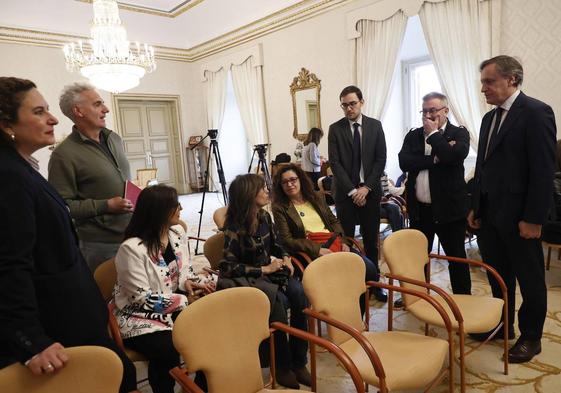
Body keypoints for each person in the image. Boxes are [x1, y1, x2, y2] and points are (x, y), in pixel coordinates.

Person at [0, 77, 136, 392]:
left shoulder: (20, 168)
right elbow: (9, 264)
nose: (52, 119)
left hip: (74, 309)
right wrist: (31, 340)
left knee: (120, 374)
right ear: (7, 123)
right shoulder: (8, 176)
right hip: (57, 318)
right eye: (38, 112)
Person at [468, 55, 556, 363]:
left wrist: (533, 219)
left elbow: (543, 172)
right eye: (482, 82)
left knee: (530, 280)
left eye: (489, 82)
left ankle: (531, 337)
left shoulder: (536, 113)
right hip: (490, 216)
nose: (483, 89)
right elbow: (482, 167)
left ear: (512, 80)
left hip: (520, 219)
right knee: (497, 276)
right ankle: (502, 325)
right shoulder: (488, 118)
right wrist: (475, 206)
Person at [114, 185, 213, 393]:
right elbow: (142, 299)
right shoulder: (131, 248)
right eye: (175, 205)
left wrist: (192, 283)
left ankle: (197, 388)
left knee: (207, 335)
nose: (181, 209)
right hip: (138, 315)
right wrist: (186, 300)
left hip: (173, 305)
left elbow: (183, 271)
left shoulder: (176, 233)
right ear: (158, 210)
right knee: (166, 349)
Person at [217, 174, 310, 389]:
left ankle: (299, 361)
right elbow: (227, 267)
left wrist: (285, 257)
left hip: (272, 273)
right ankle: (282, 367)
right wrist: (264, 269)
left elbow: (277, 245)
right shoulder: (233, 226)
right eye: (262, 188)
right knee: (276, 307)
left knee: (299, 295)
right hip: (252, 280)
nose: (267, 191)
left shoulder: (264, 217)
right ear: (249, 194)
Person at [271, 163, 380, 313]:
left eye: (293, 179)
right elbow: (287, 240)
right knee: (345, 277)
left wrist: (343, 241)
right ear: (280, 186)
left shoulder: (316, 197)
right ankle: (340, 316)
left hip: (334, 243)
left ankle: (356, 317)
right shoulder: (280, 207)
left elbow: (333, 220)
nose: (290, 184)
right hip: (310, 251)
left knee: (370, 271)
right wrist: (317, 250)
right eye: (285, 182)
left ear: (300, 179)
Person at [48, 82, 133, 272]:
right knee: (106, 297)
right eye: (97, 104)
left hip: (133, 233)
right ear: (78, 111)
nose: (106, 109)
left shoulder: (114, 138)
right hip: (101, 245)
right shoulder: (63, 155)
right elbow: (61, 206)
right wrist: (106, 205)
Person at [398, 92, 472, 295]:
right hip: (420, 211)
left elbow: (452, 157)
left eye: (433, 111)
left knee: (456, 258)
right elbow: (404, 162)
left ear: (445, 111)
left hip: (450, 211)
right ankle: (418, 295)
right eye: (425, 111)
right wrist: (433, 160)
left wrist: (433, 136)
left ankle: (463, 299)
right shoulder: (413, 135)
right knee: (418, 258)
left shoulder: (459, 134)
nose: (428, 115)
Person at [328, 85, 387, 302]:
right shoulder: (336, 129)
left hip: (370, 193)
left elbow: (381, 159)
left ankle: (374, 284)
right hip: (345, 194)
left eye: (352, 103)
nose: (348, 108)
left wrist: (366, 188)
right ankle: (349, 284)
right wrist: (353, 190)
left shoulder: (375, 126)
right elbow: (335, 163)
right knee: (347, 241)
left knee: (371, 241)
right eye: (344, 105)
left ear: (362, 102)